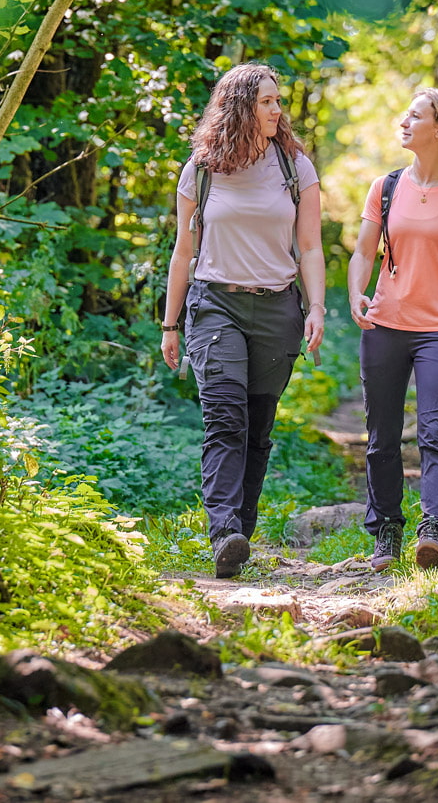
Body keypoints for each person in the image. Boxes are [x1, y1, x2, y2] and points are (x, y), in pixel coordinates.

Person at [161, 63, 325, 579]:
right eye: (267, 102)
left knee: (257, 427)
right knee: (225, 416)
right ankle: (222, 530)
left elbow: (311, 246)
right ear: (240, 108)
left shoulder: (295, 166)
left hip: (278, 309)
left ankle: (240, 534)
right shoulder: (202, 170)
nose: (277, 110)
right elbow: (183, 251)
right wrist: (170, 324)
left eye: (278, 101)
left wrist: (317, 307)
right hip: (215, 305)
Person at [347, 87, 438, 571]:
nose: (404, 122)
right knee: (382, 437)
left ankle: (434, 528)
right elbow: (364, 252)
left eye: (415, 116)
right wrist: (357, 293)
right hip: (385, 325)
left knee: (436, 432)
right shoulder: (385, 188)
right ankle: (386, 530)